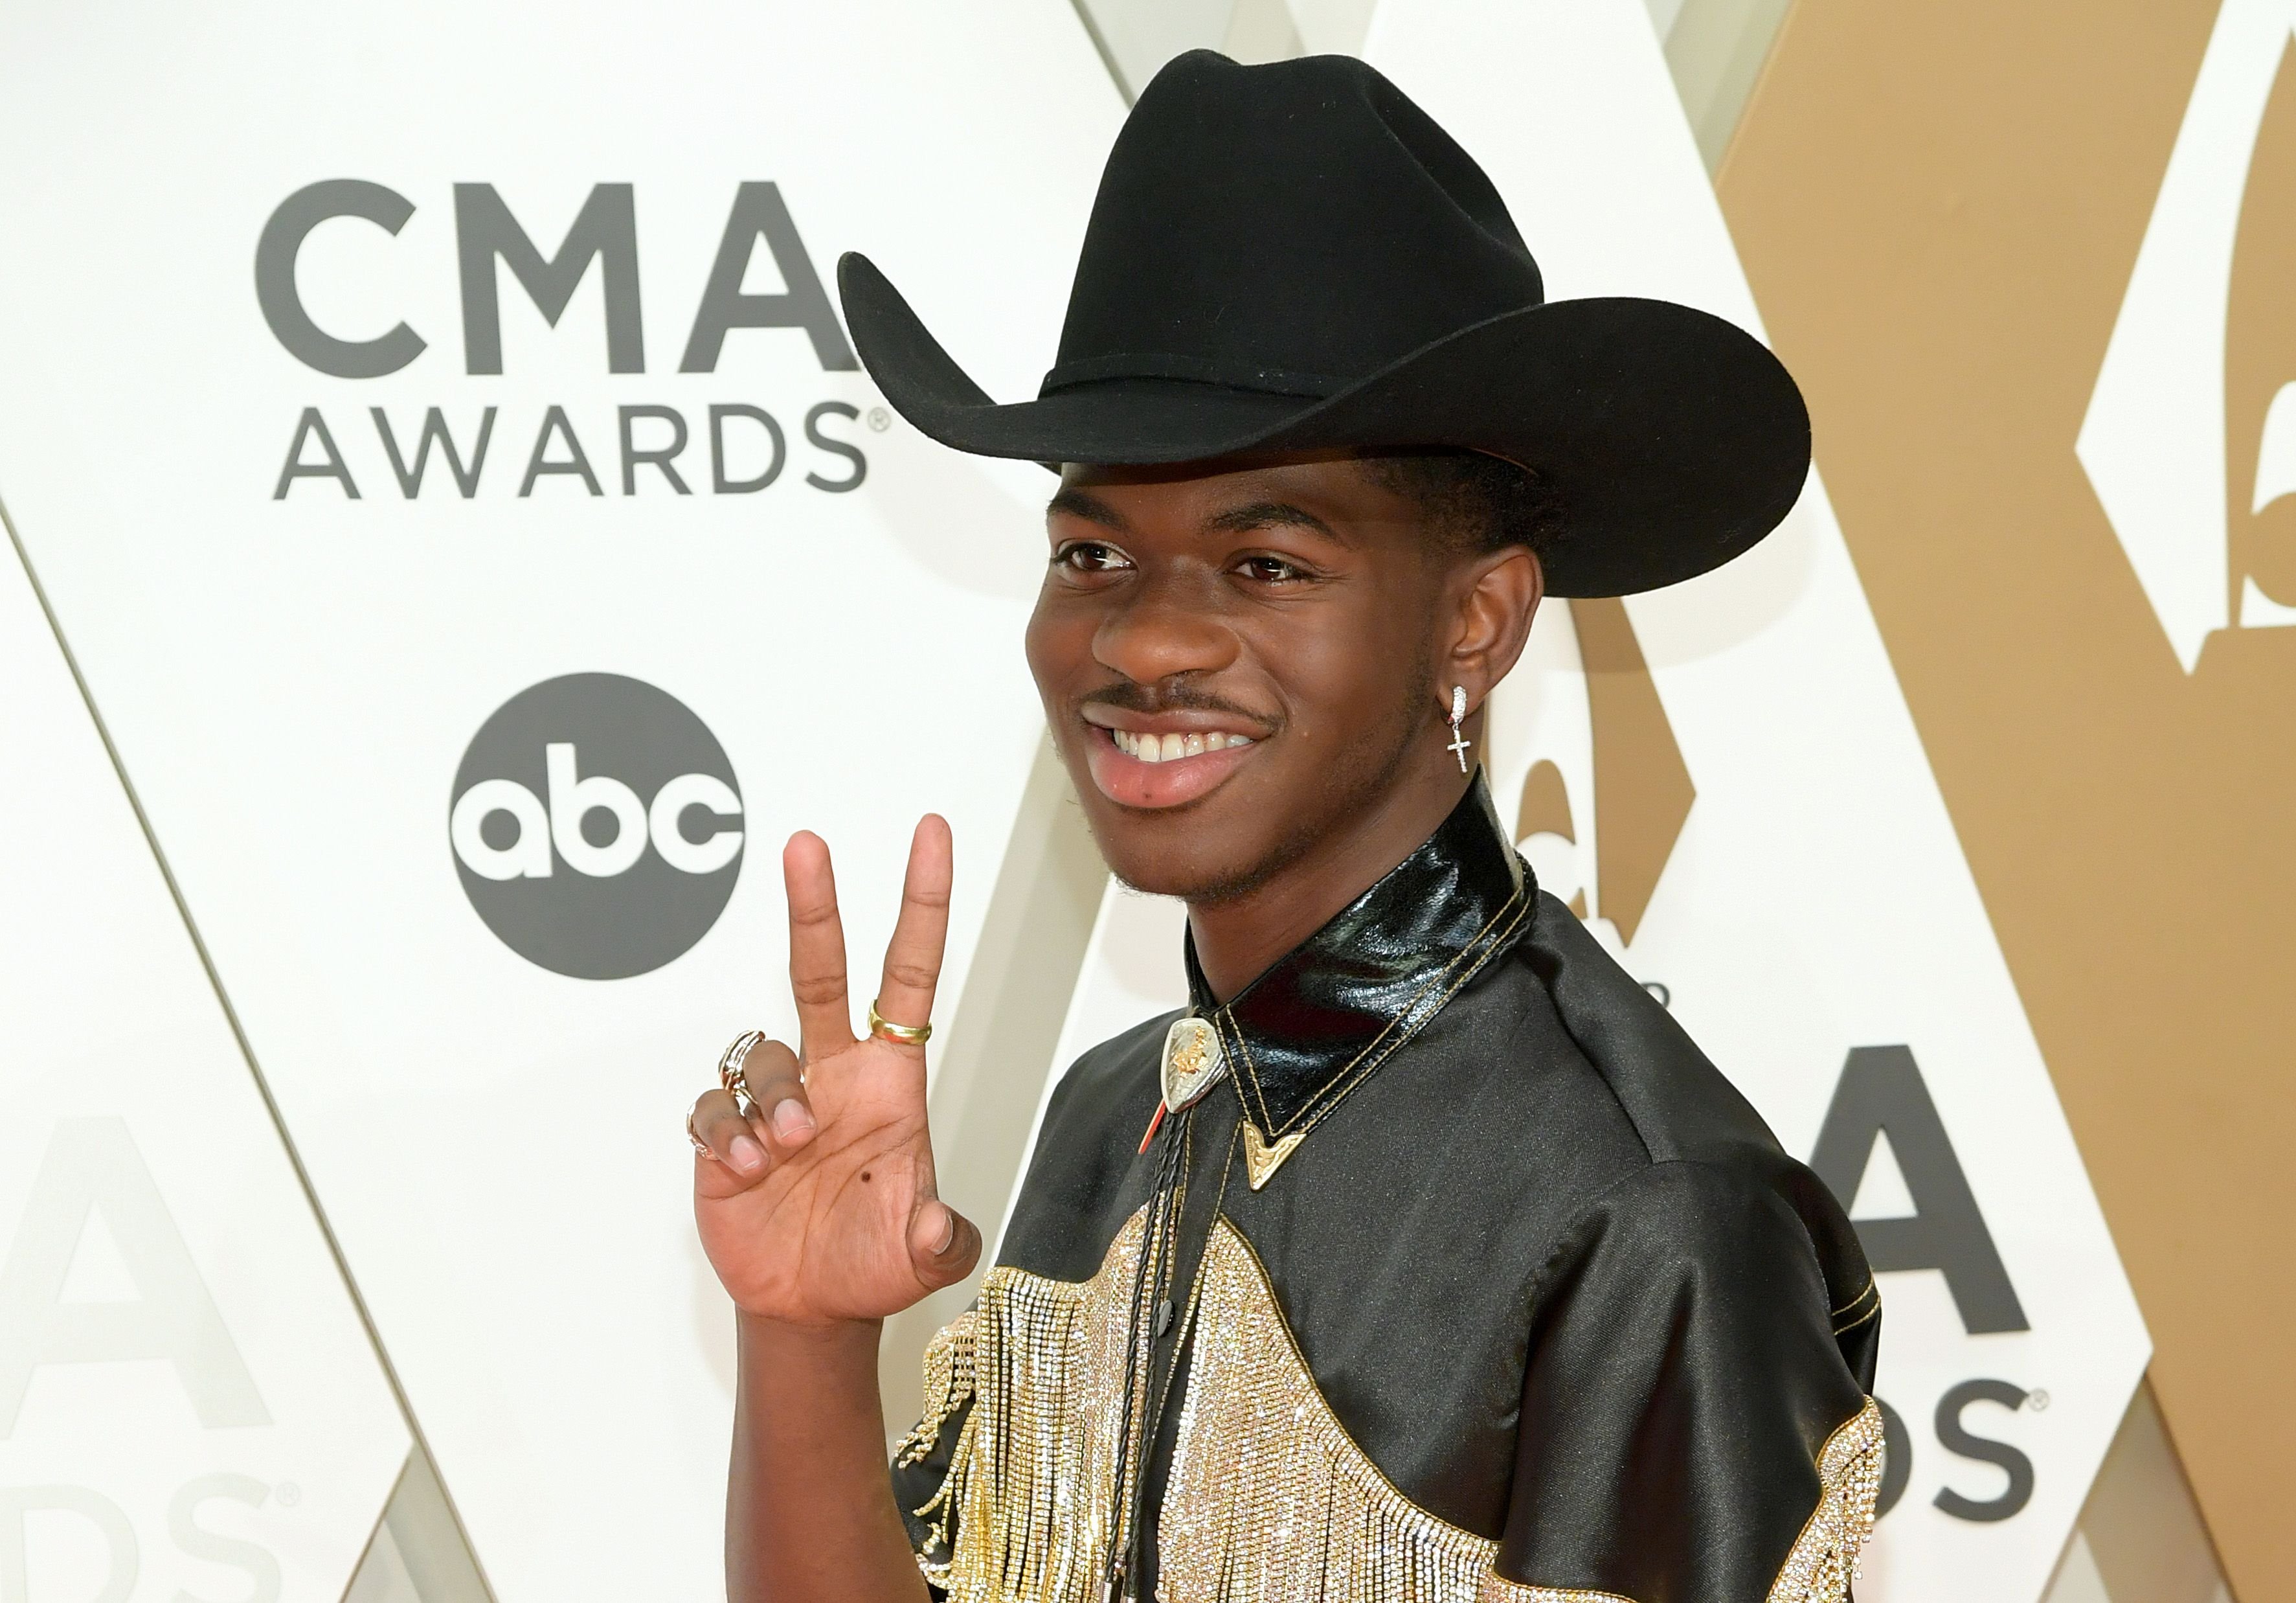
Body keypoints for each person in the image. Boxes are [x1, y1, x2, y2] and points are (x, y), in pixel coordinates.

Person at [687, 49, 1882, 1603]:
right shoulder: (1116, 1113)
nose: (1143, 644)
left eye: (1264, 564)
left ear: (1477, 617)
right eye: (1094, 553)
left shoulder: (1642, 1218)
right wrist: (801, 1330)